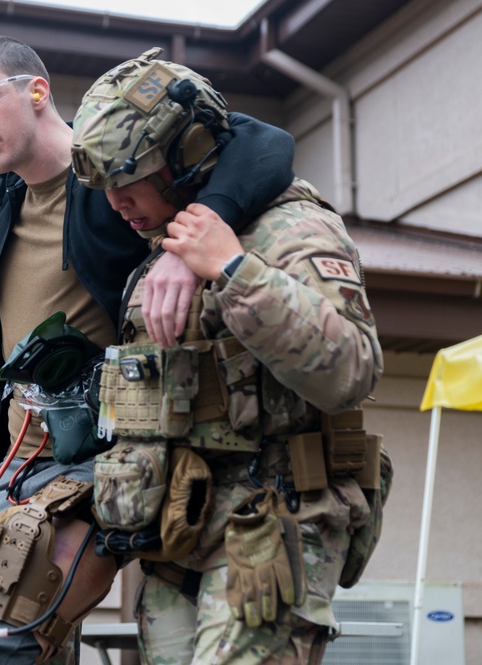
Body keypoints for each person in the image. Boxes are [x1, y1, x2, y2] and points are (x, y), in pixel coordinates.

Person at [0, 36, 296, 665]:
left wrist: (191, 245)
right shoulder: (3, 187)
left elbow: (265, 142)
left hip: (100, 455)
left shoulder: (107, 174)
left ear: (37, 91)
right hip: (17, 456)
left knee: (3, 635)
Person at [70, 51, 388, 664]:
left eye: (127, 178)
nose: (114, 204)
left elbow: (352, 368)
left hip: (270, 525)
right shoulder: (157, 243)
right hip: (179, 532)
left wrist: (232, 271)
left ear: (186, 152)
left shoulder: (290, 229)